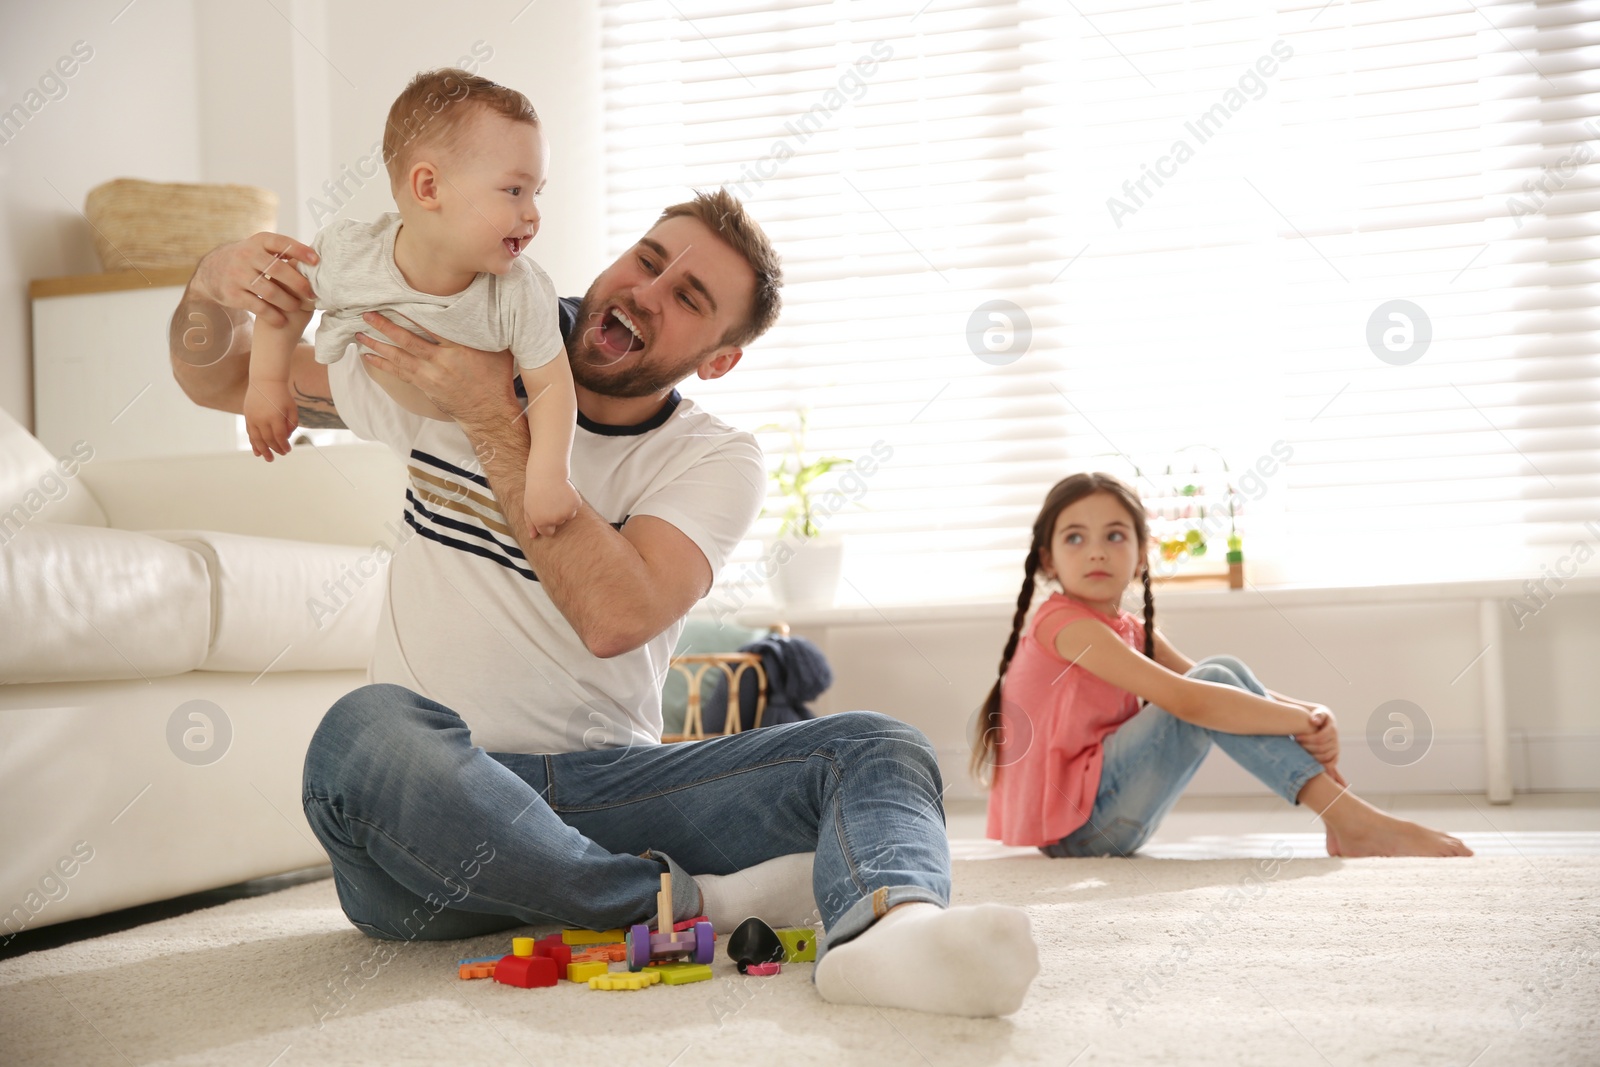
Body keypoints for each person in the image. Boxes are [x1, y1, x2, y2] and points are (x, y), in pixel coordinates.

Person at [168, 188, 1040, 1017]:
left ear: (719, 357)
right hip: (430, 817)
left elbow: (613, 615)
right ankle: (681, 900)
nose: (645, 292)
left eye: (689, 295)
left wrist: (489, 420)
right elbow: (217, 379)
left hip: (604, 791)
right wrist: (212, 280)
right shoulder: (478, 327)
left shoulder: (712, 459)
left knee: (877, 746)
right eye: (647, 259)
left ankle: (895, 937)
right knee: (364, 733)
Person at [976, 471, 1473, 859]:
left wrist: (1314, 711)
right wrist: (1299, 723)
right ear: (1048, 559)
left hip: (1106, 819)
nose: (1098, 552)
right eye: (1076, 539)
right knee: (1210, 683)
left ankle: (1349, 820)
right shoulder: (1066, 625)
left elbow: (1215, 680)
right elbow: (1191, 698)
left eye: (1115, 536)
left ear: (1143, 555)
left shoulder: (1125, 627)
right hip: (1080, 832)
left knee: (1220, 667)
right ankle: (1352, 820)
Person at [244, 68, 580, 540]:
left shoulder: (520, 290)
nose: (533, 214)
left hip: (490, 426)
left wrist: (549, 476)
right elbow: (286, 301)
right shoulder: (350, 255)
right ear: (429, 188)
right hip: (384, 403)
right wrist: (266, 383)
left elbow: (551, 386)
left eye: (536, 193)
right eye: (514, 190)